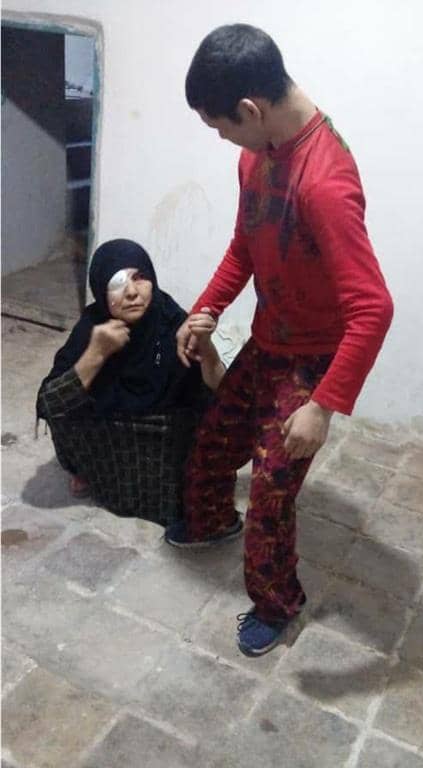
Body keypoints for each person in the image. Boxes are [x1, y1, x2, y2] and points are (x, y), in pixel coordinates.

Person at [162, 24, 394, 658]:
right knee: (212, 444)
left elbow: (373, 308)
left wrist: (322, 404)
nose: (222, 141)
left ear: (249, 110)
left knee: (270, 491)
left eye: (221, 127)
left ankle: (277, 602)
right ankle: (209, 522)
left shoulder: (323, 182)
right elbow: (245, 247)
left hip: (311, 366)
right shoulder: (256, 154)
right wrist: (206, 308)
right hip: (268, 344)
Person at [36, 238, 224, 522]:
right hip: (109, 442)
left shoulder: (172, 322)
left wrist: (207, 348)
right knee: (66, 400)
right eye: (117, 283)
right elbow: (50, 405)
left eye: (140, 278)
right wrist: (96, 353)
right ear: (100, 291)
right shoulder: (92, 327)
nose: (133, 293)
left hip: (164, 440)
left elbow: (221, 391)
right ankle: (86, 471)